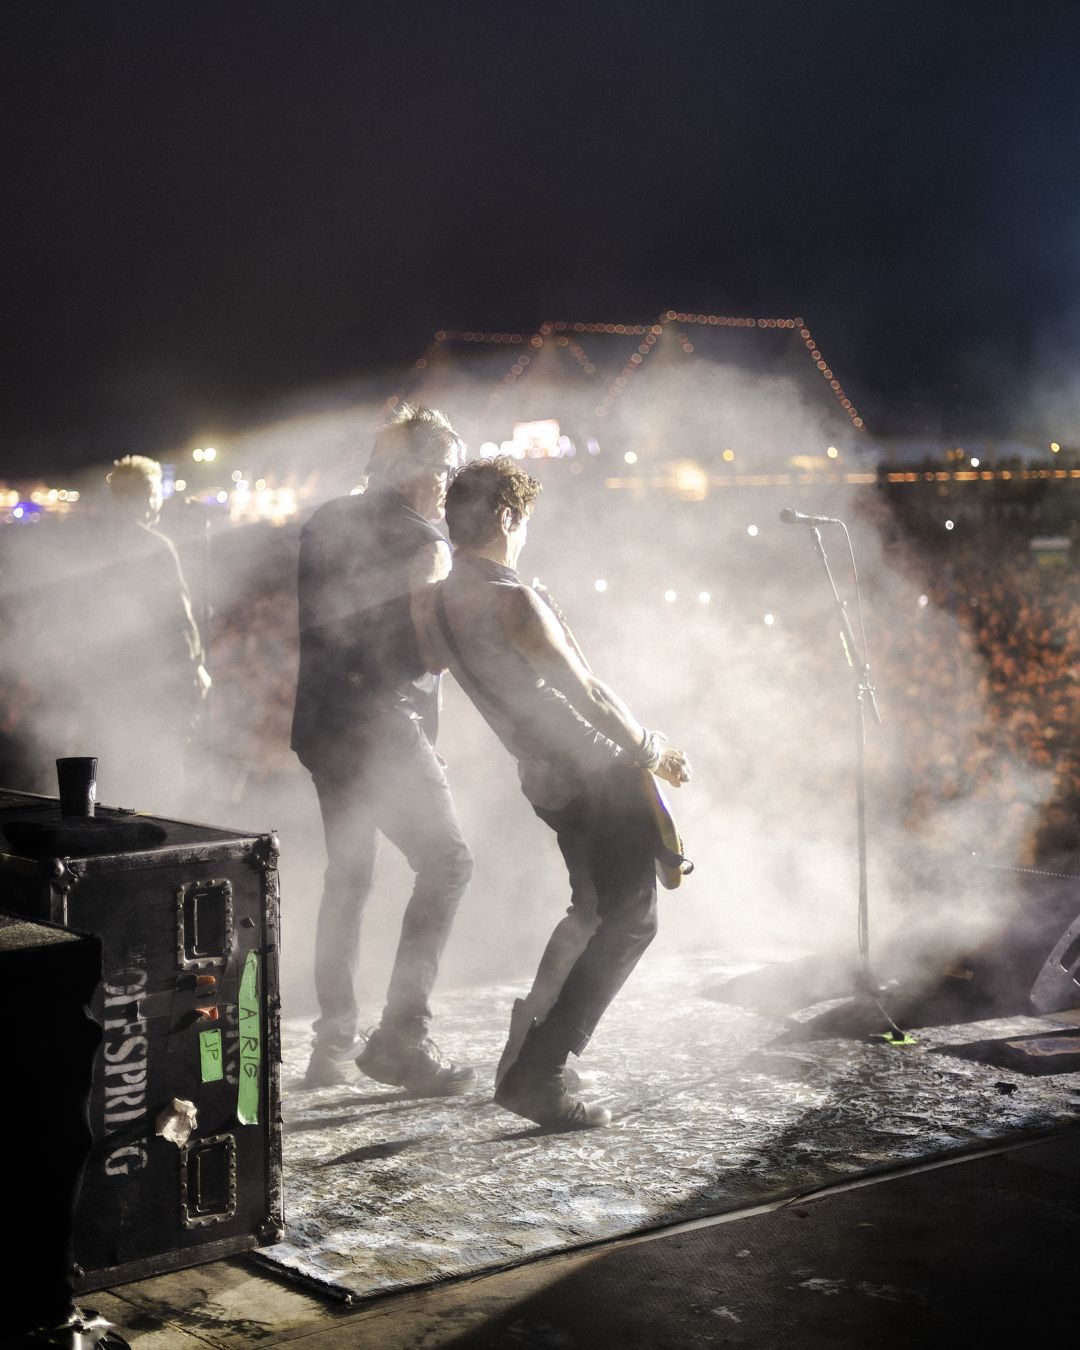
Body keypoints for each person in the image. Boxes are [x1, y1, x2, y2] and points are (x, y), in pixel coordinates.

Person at [427, 456, 691, 1131]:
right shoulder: (511, 599)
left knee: (592, 908)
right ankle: (540, 1071)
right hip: (595, 773)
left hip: (542, 778)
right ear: (508, 517)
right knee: (631, 919)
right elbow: (591, 695)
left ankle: (529, 1044)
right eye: (524, 522)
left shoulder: (440, 599)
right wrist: (652, 749)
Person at [291, 404, 475, 1093]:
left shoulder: (324, 521)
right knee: (448, 862)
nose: (453, 487)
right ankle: (403, 1037)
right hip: (383, 724)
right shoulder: (423, 538)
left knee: (348, 880)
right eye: (449, 471)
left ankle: (331, 1047)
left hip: (323, 724)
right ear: (422, 471)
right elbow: (428, 646)